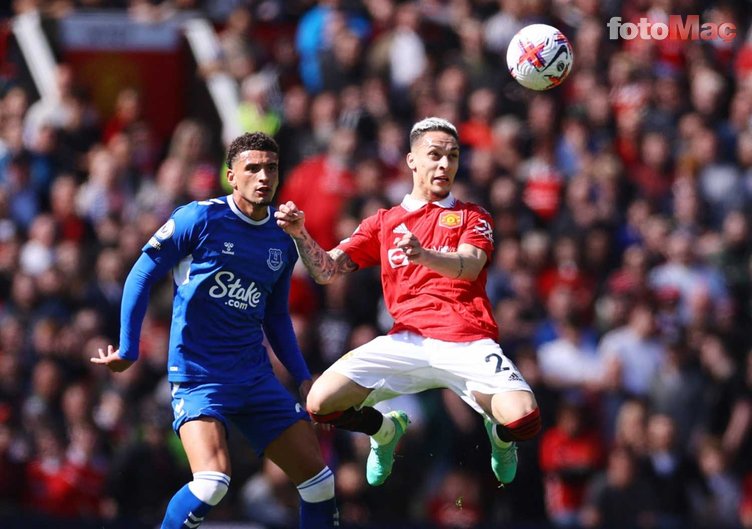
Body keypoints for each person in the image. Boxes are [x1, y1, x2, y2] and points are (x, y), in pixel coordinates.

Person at [91, 132, 339, 529]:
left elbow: (274, 317)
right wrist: (128, 347)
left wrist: (304, 377)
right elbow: (140, 275)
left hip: (254, 376)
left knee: (320, 482)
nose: (263, 177)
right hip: (199, 376)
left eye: (271, 168)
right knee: (212, 484)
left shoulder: (281, 237)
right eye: (252, 168)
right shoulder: (199, 218)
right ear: (231, 176)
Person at [275, 117, 541, 488]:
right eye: (434, 155)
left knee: (524, 419)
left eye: (453, 156)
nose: (444, 165)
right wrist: (300, 234)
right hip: (407, 339)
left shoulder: (473, 215)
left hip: (466, 339)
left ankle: (500, 436)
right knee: (319, 403)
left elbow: (469, 266)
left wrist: (424, 255)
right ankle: (383, 431)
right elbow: (326, 271)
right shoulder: (384, 222)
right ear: (411, 160)